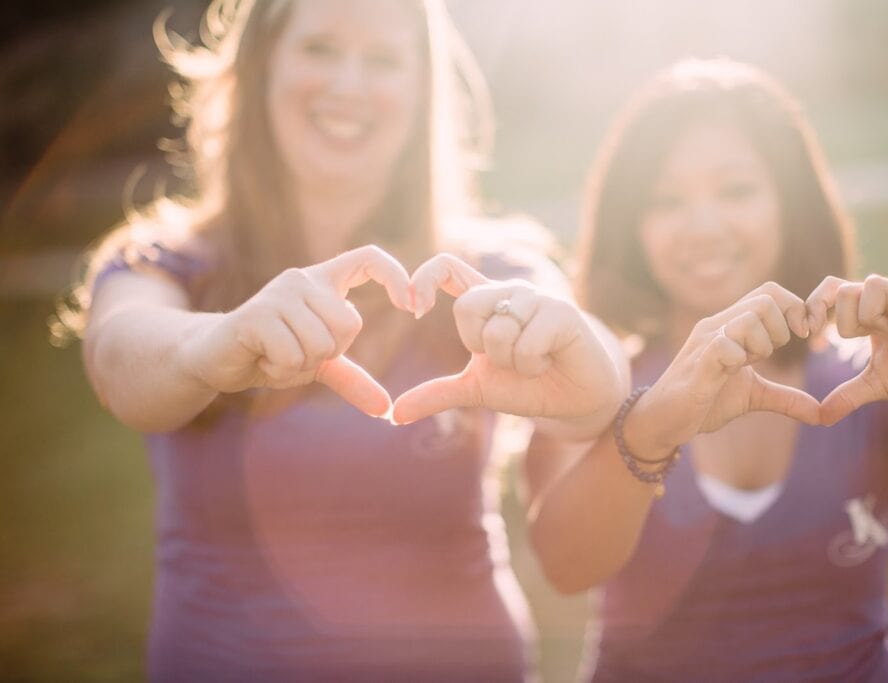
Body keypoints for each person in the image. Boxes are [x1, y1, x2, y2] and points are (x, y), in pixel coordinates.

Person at [66, 0, 625, 680]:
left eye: (384, 59)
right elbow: (122, 354)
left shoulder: (488, 269)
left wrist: (592, 368)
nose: (350, 85)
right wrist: (217, 342)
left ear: (423, 92)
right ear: (261, 64)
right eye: (322, 49)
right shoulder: (163, 262)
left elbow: (584, 347)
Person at [524, 58, 888, 681]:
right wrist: (648, 428)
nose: (703, 228)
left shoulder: (873, 380)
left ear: (791, 204)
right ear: (633, 227)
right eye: (665, 200)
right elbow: (566, 568)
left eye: (736, 190)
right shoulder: (594, 386)